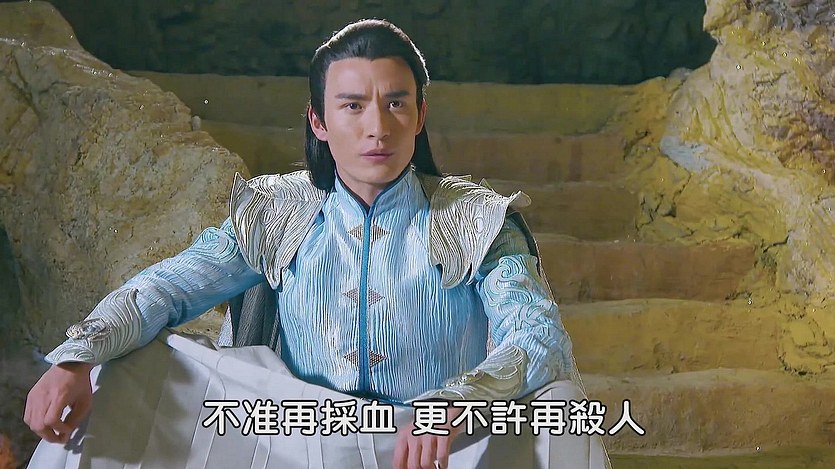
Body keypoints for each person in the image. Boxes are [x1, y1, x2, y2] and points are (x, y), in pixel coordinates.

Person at [24, 19, 610, 469]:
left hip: (436, 445)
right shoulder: (277, 212)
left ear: (420, 115)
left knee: (564, 409)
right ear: (319, 122)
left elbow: (538, 336)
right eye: (353, 106)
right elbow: (171, 287)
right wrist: (76, 355)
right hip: (300, 441)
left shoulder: (476, 219)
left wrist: (456, 401)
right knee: (121, 364)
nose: (377, 126)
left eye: (396, 103)